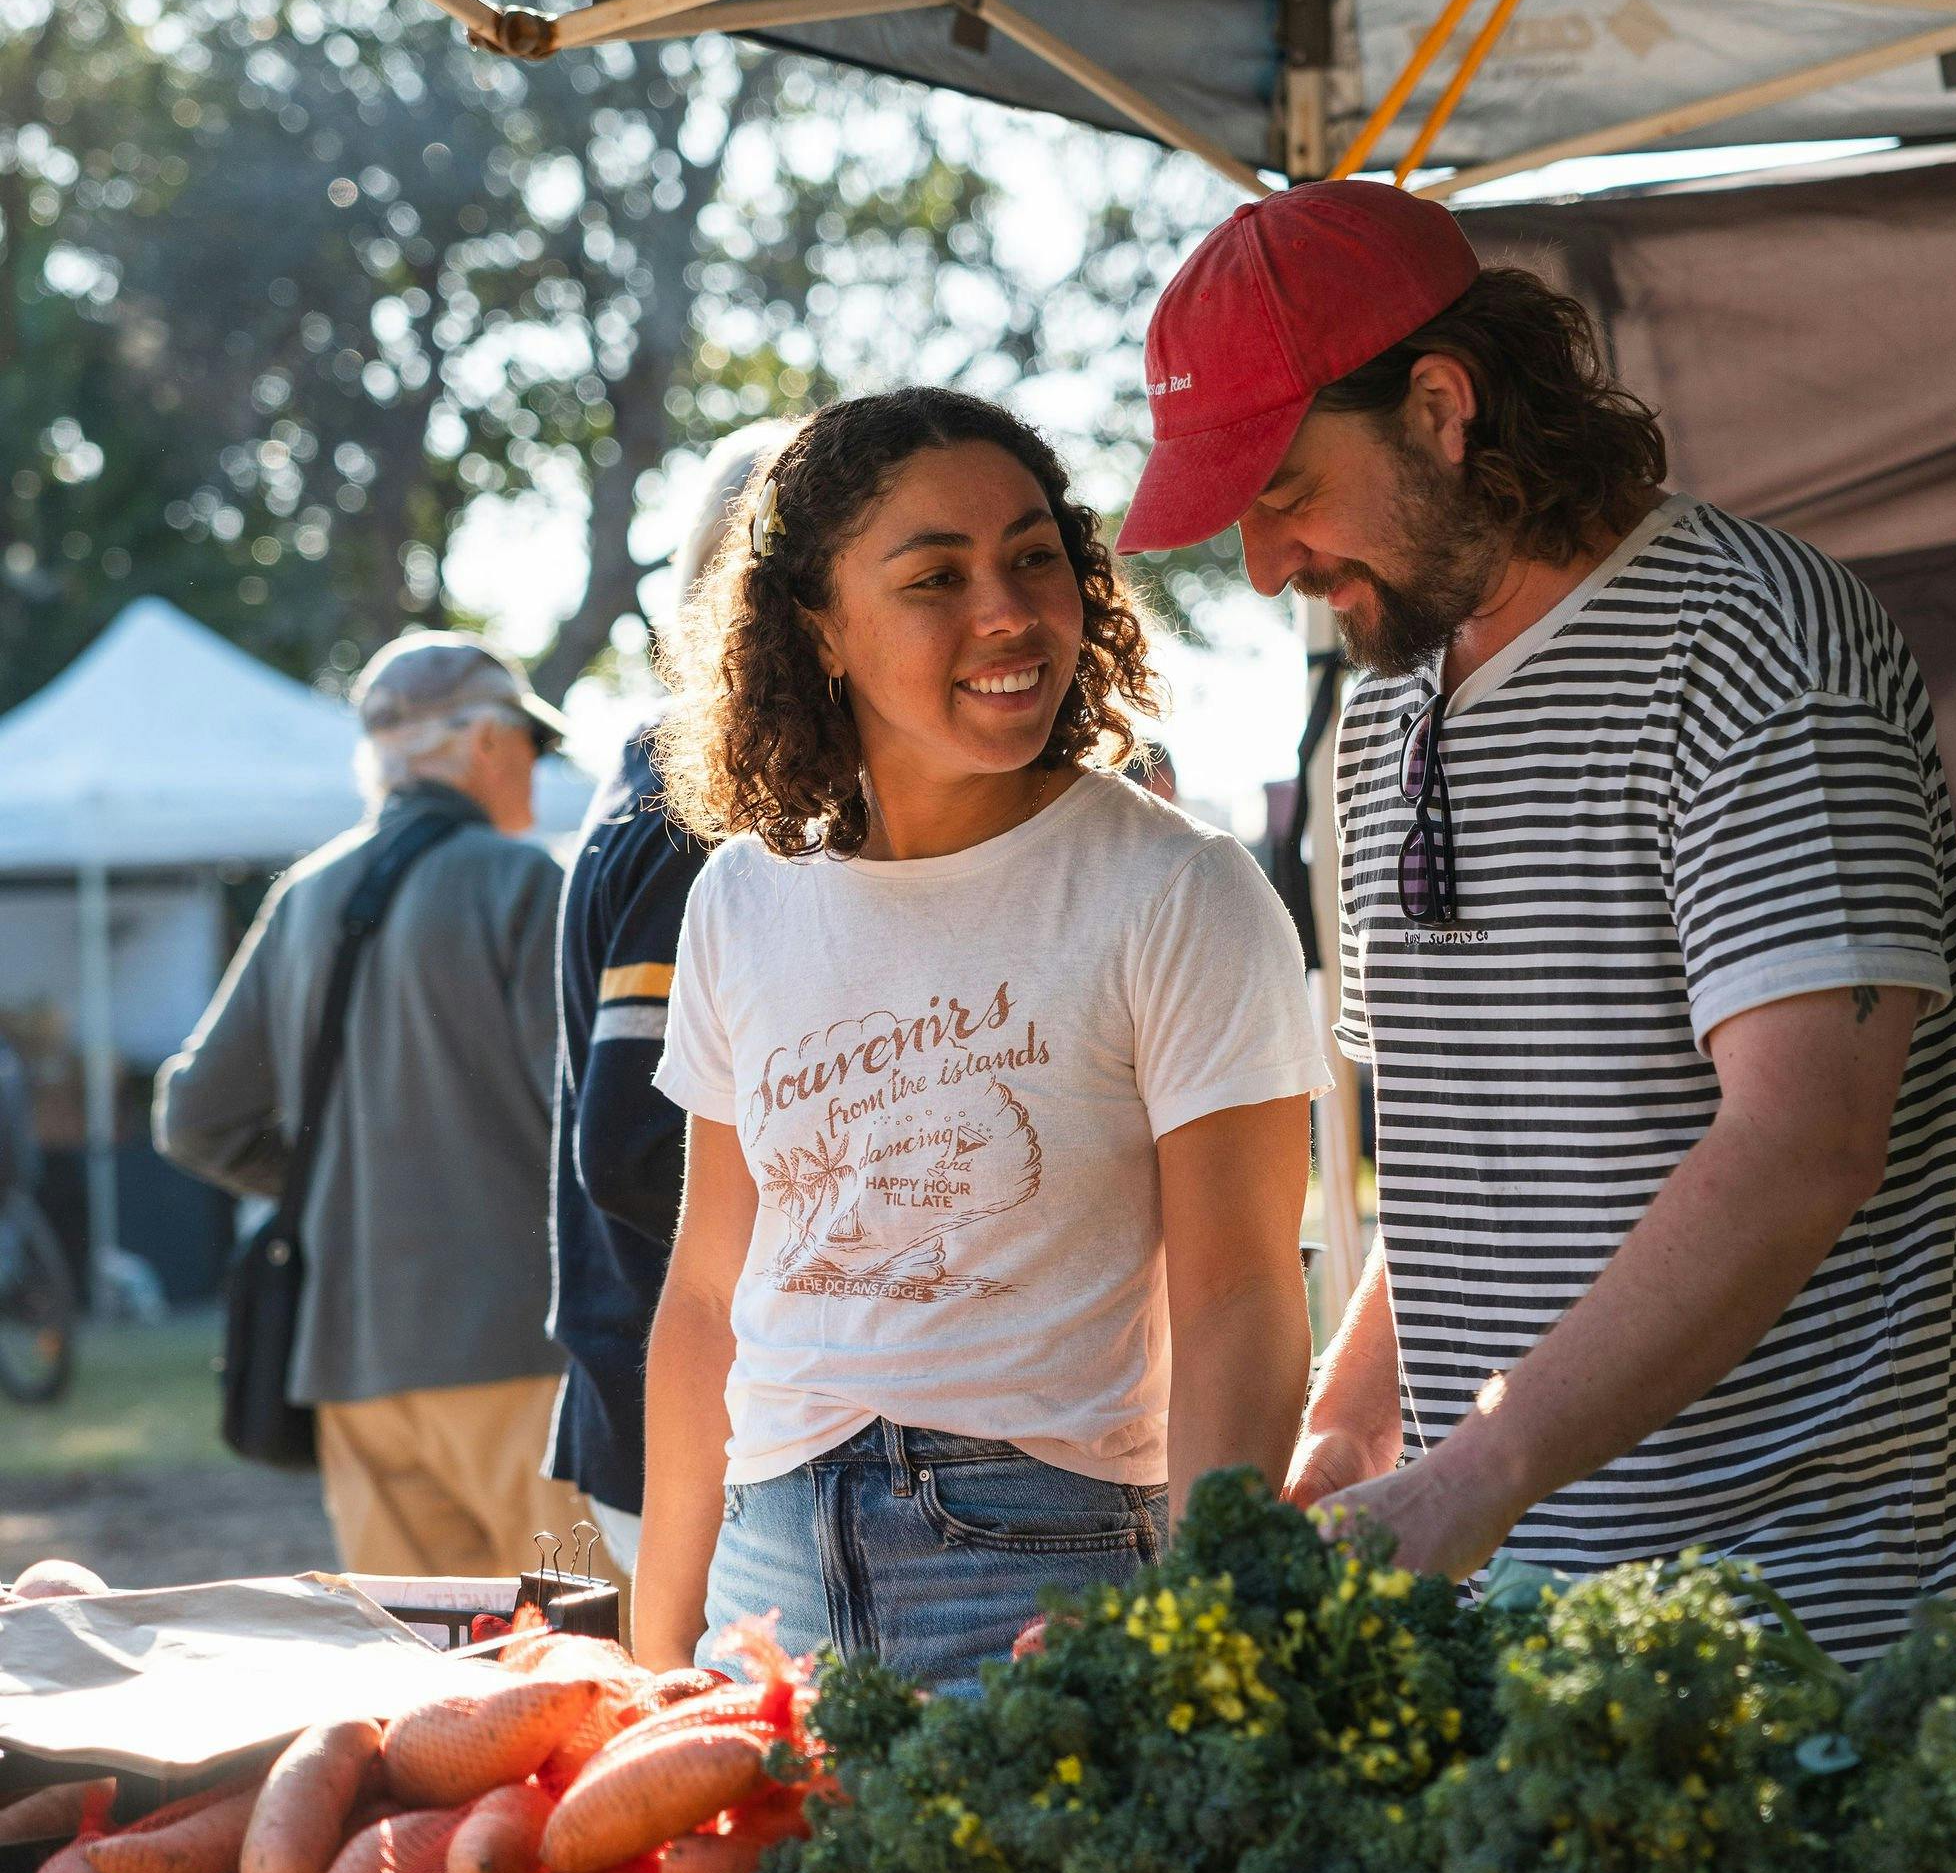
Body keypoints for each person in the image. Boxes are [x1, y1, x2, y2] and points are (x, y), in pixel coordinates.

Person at [1117, 177, 1956, 1666]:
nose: (1266, 563)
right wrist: (1352, 1442)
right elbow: (1467, 1174)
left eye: (1285, 491)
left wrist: (1478, 1470)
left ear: (1439, 404)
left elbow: (1806, 1144)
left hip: (1842, 1628)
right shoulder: (1382, 721)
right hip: (1541, 1630)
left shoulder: (1754, 645)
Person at [632, 389, 1330, 1691]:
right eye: (935, 577)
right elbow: (708, 1294)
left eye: (1032, 558)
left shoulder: (1178, 888)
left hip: (1042, 1558)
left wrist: (1194, 1627)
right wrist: (654, 1645)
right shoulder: (741, 893)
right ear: (820, 628)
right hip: (763, 1571)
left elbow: (1240, 1293)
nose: (1007, 612)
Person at [155, 633, 597, 1580]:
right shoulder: (524, 881)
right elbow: (584, 1119)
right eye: (530, 740)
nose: (536, 764)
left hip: (352, 1365)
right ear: (485, 743)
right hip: (517, 1350)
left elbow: (193, 1115)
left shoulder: (304, 896)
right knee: (583, 1665)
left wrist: (331, 1184)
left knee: (421, 1686)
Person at [544, 422, 793, 1579]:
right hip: (688, 1414)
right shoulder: (693, 808)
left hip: (660, 1394)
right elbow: (635, 1142)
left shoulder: (650, 772)